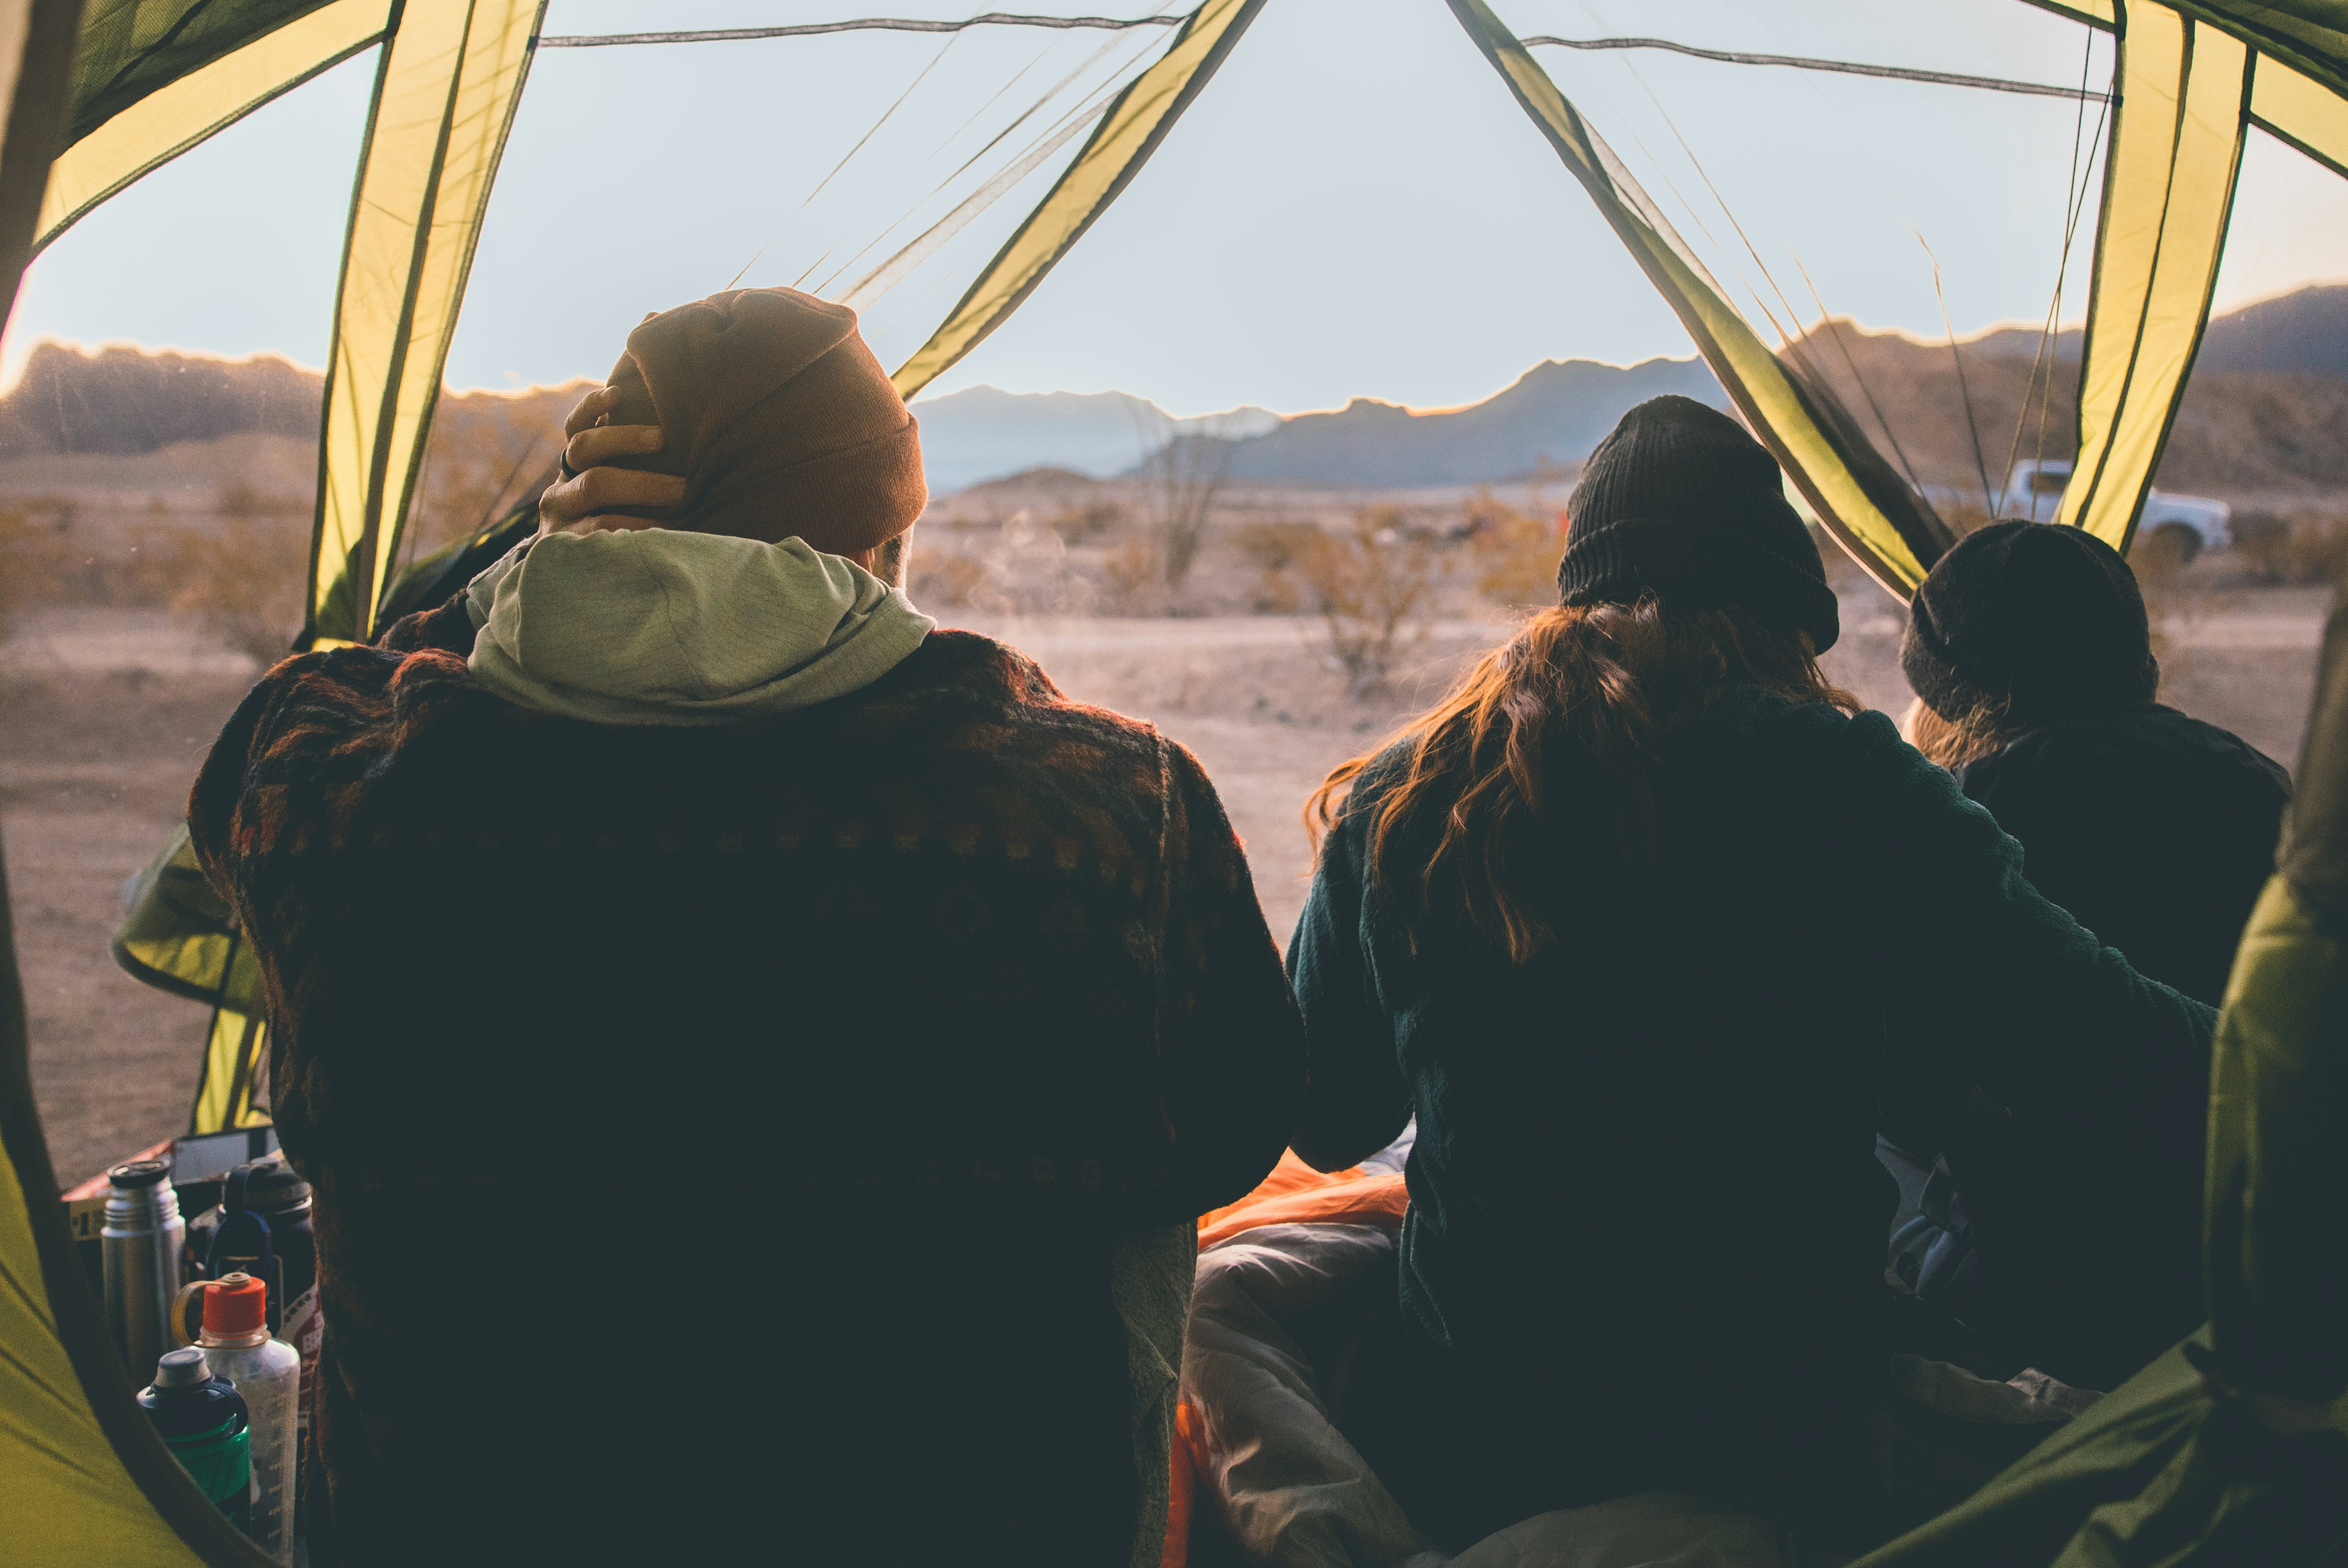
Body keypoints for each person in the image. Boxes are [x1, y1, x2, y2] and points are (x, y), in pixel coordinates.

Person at [188, 286, 1304, 1567]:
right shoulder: (1109, 817)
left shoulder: (330, 791)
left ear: (582, 529)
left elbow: (312, 703)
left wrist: (566, 569)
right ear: (881, 544)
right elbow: (1229, 1125)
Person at [1284, 396, 2216, 1550]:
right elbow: (2107, 1048)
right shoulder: (1845, 781)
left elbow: (1324, 1118)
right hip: (1772, 1430)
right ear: (1784, 622)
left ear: (1577, 592)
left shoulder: (1409, 794)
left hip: (1477, 1434)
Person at [1887, 519, 2289, 1389]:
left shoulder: (1965, 823)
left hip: (2044, 1307)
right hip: (2263, 1269)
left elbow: (1910, 1093)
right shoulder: (2257, 784)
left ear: (1949, 699)